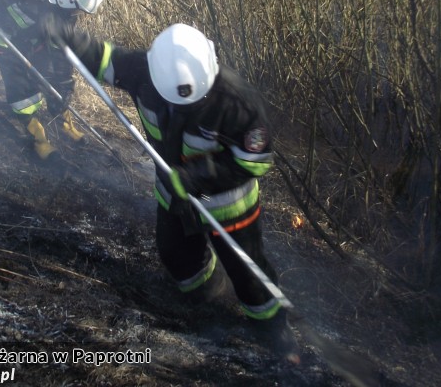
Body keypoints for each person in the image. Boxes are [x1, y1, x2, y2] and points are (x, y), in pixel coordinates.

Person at [39, 21, 301, 363]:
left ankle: (274, 331)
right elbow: (104, 58)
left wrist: (197, 176)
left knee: (249, 273)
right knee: (177, 257)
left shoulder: (238, 103)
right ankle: (205, 296)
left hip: (229, 206)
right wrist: (69, 37)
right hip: (173, 198)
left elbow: (254, 162)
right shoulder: (143, 74)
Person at [0, 0, 105, 160]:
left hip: (27, 42)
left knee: (50, 77)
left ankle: (63, 120)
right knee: (23, 90)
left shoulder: (64, 14)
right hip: (1, 39)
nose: (79, 14)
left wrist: (64, 86)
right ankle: (37, 136)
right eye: (79, 8)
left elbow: (60, 52)